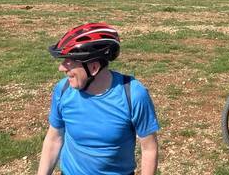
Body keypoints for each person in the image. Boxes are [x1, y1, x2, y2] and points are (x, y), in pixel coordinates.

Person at [37, 23, 159, 175]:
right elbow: (54, 139)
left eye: (70, 62)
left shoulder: (133, 94)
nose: (61, 68)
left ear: (94, 68)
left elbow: (149, 149)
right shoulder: (63, 90)